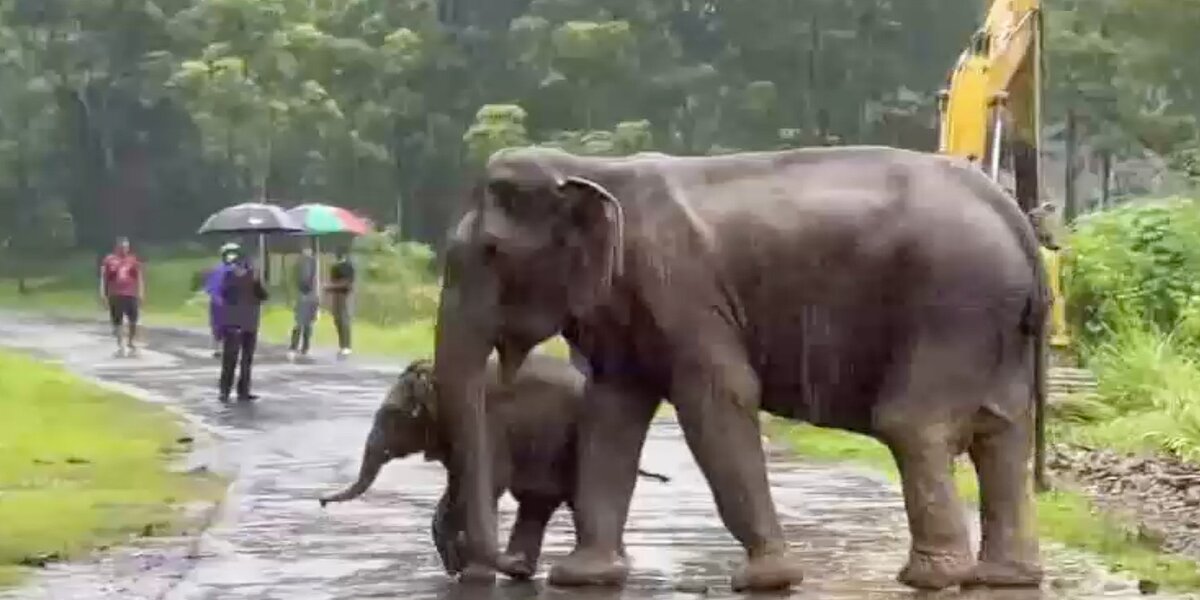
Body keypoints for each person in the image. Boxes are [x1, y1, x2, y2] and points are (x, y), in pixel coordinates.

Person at [217, 250, 268, 402]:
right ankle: (243, 390)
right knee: (246, 358)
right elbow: (263, 296)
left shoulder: (228, 277)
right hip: (250, 322)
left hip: (233, 322)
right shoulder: (253, 278)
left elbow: (224, 294)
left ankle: (225, 391)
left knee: (230, 358)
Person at [99, 236, 144, 357]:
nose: (124, 249)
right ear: (117, 247)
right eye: (122, 247)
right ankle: (121, 345)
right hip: (115, 294)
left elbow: (139, 277)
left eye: (126, 247)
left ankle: (131, 342)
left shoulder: (133, 260)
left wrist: (140, 293)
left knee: (133, 320)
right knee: (117, 322)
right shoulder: (109, 260)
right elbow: (104, 278)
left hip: (130, 294)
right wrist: (103, 293)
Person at [203, 243, 241, 358]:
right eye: (229, 253)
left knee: (234, 326)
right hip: (220, 303)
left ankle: (231, 347)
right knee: (218, 326)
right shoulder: (218, 269)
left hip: (234, 303)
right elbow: (212, 287)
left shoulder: (240, 269)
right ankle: (218, 347)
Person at [287, 245, 320, 362]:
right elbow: (306, 281)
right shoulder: (310, 263)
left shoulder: (303, 263)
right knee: (305, 323)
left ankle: (297, 347)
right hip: (308, 296)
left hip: (305, 296)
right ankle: (303, 347)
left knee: (301, 323)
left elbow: (303, 281)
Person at [326, 246, 356, 359]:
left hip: (345, 295)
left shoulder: (348, 267)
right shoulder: (335, 267)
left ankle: (347, 346)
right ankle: (342, 345)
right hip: (337, 295)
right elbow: (333, 280)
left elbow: (347, 283)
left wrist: (330, 287)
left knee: (344, 320)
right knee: (338, 320)